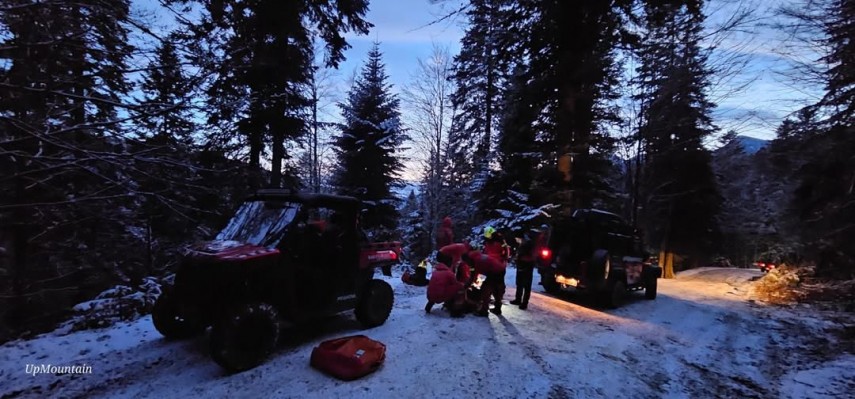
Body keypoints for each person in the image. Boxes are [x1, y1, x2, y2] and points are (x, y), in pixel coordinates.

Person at [461, 250, 507, 317]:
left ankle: (484, 311)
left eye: (467, 262)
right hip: (501, 269)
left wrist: (469, 287)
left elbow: (476, 277)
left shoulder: (477, 262)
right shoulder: (475, 257)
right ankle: (497, 308)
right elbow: (473, 274)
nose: (467, 264)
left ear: (468, 259)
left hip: (494, 272)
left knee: (486, 290)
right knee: (496, 289)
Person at [511, 229, 539, 310]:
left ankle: (524, 303)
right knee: (519, 283)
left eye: (517, 239)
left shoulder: (528, 245)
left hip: (526, 266)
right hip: (521, 266)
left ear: (520, 238)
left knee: (526, 285)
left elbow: (529, 256)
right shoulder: (523, 244)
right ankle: (518, 299)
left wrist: (520, 259)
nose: (516, 241)